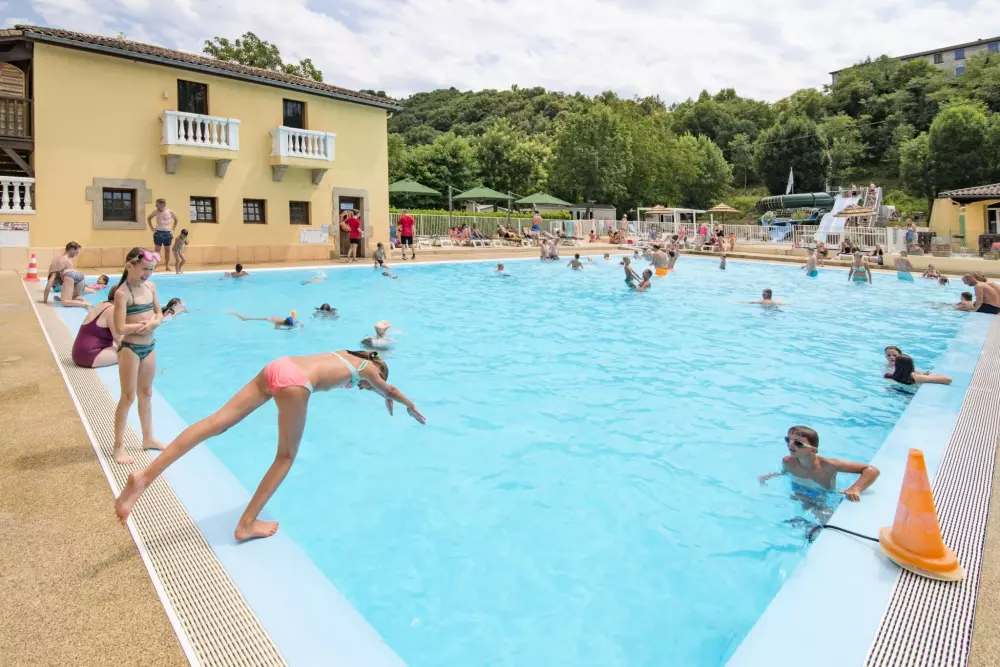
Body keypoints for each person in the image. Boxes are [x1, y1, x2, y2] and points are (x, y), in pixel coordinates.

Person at [115, 350, 425, 541]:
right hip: (296, 384)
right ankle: (246, 524)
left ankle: (143, 477)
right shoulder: (370, 371)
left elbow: (367, 381)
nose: (363, 387)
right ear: (376, 370)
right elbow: (388, 386)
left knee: (216, 422)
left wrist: (380, 394)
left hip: (279, 366)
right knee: (286, 457)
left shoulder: (347, 355)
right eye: (368, 385)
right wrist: (407, 404)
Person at [112, 248, 164, 465]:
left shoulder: (151, 287)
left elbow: (159, 313)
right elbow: (120, 327)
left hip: (149, 346)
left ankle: (148, 437)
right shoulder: (122, 293)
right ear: (129, 266)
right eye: (144, 269)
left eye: (151, 270)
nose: (147, 274)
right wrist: (141, 327)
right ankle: (119, 446)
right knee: (128, 397)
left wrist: (154, 322)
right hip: (131, 349)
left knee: (146, 392)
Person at [758, 426, 880, 503]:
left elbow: (871, 470)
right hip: (798, 493)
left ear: (813, 450)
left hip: (824, 498)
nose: (790, 444)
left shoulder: (829, 465)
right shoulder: (788, 461)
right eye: (788, 440)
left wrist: (855, 488)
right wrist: (771, 476)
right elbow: (785, 473)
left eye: (798, 443)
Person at [71, 296, 119, 368]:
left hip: (78, 353)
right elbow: (120, 340)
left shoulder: (102, 304)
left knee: (118, 346)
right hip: (89, 356)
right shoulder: (112, 311)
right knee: (130, 354)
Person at [42, 241, 89, 308]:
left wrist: (45, 301)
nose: (76, 254)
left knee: (71, 297)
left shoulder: (56, 258)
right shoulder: (67, 261)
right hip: (68, 282)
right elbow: (72, 278)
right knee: (81, 293)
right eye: (76, 252)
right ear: (72, 250)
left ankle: (81, 300)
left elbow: (48, 287)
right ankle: (82, 299)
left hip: (65, 282)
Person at [146, 199, 178, 271]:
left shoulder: (170, 211)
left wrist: (173, 230)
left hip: (167, 233)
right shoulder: (155, 212)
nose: (156, 206)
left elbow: (176, 220)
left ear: (163, 204)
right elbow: (149, 218)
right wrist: (152, 229)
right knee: (157, 250)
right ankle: (155, 266)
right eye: (156, 204)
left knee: (167, 250)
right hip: (158, 232)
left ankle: (167, 266)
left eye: (157, 204)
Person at [885, 354, 952, 385]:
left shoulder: (889, 376)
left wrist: (923, 374)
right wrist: (930, 375)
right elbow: (948, 380)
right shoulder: (915, 377)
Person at [231, 311, 303, 330]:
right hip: (266, 318)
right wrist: (286, 330)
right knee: (245, 318)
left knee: (247, 318)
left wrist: (300, 324)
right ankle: (235, 314)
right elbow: (276, 329)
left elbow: (295, 320)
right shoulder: (278, 322)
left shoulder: (286, 320)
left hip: (270, 317)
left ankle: (235, 313)